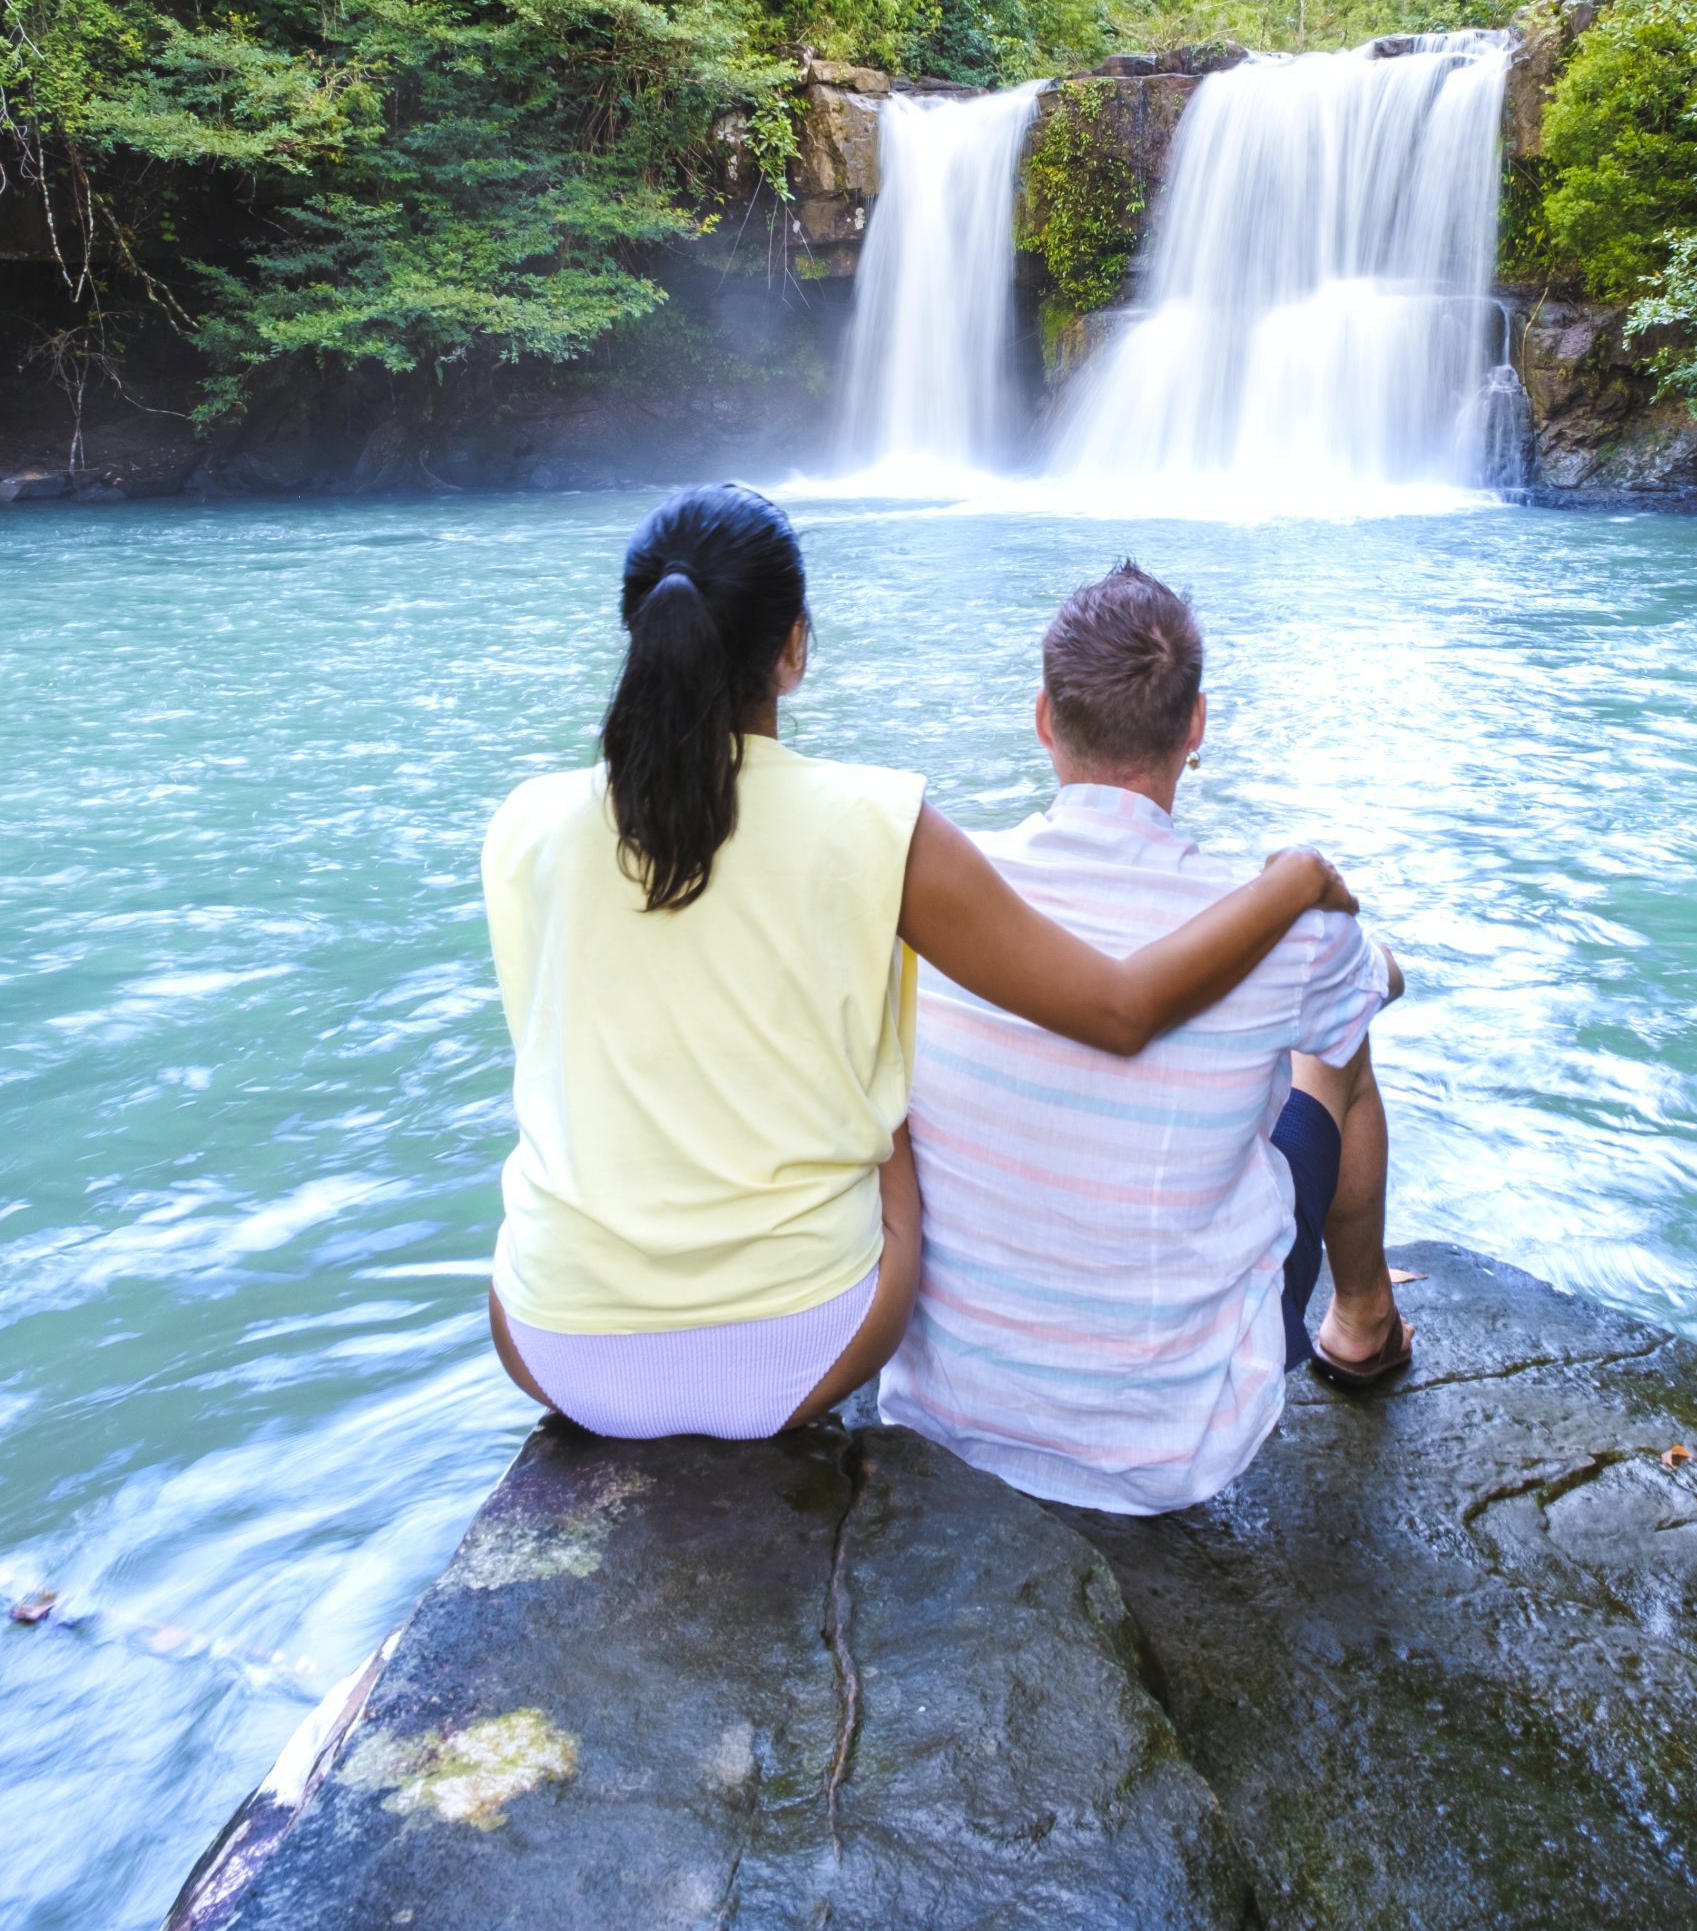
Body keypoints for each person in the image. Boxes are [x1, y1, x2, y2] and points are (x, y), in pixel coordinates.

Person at [481, 485, 1352, 1445]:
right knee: (884, 1100)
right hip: (804, 1346)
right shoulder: (876, 825)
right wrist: (1295, 879)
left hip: (548, 1344)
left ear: (641, 631)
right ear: (794, 649)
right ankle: (1364, 1320)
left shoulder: (525, 822)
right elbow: (1119, 1010)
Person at [878, 560, 1411, 1516]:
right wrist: (1317, 920)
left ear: (1044, 717)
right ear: (1194, 726)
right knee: (1334, 1046)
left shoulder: (939, 899)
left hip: (943, 1415)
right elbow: (1383, 985)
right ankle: (1362, 1321)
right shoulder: (1276, 930)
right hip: (1173, 1444)